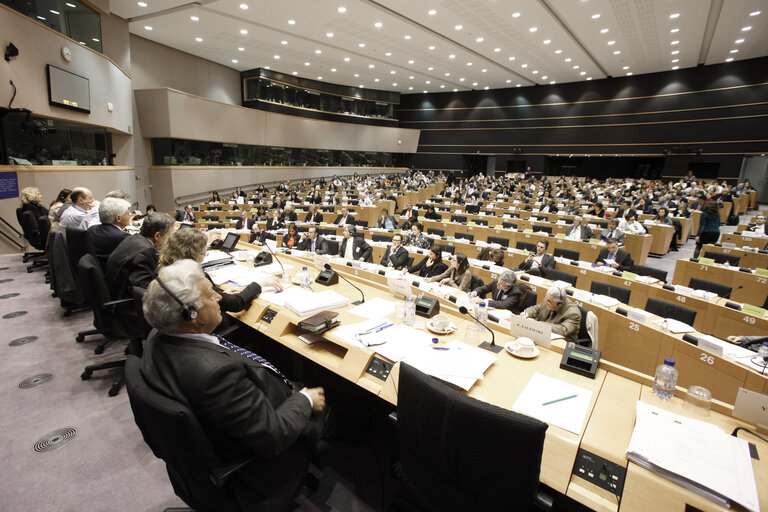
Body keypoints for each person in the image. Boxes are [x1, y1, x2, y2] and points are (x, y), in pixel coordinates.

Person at [141, 259, 328, 510]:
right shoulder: (215, 374)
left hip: (219, 432)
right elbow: (272, 436)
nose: (219, 298)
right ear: (190, 315)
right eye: (211, 295)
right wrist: (305, 399)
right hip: (258, 461)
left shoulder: (157, 336)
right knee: (335, 398)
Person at [158, 229, 275, 322]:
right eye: (204, 253)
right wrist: (260, 283)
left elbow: (217, 298)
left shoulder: (166, 268)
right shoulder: (193, 276)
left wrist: (220, 293)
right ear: (194, 254)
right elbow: (235, 304)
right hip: (202, 325)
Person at [105, 213, 174, 300]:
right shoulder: (146, 251)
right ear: (157, 236)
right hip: (126, 302)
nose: (170, 238)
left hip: (115, 290)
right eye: (169, 235)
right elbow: (143, 289)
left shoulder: (134, 238)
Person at [88, 197, 132, 268]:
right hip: (114, 275)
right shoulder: (123, 237)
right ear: (118, 218)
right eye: (128, 214)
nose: (129, 216)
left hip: (97, 272)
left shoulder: (91, 229)